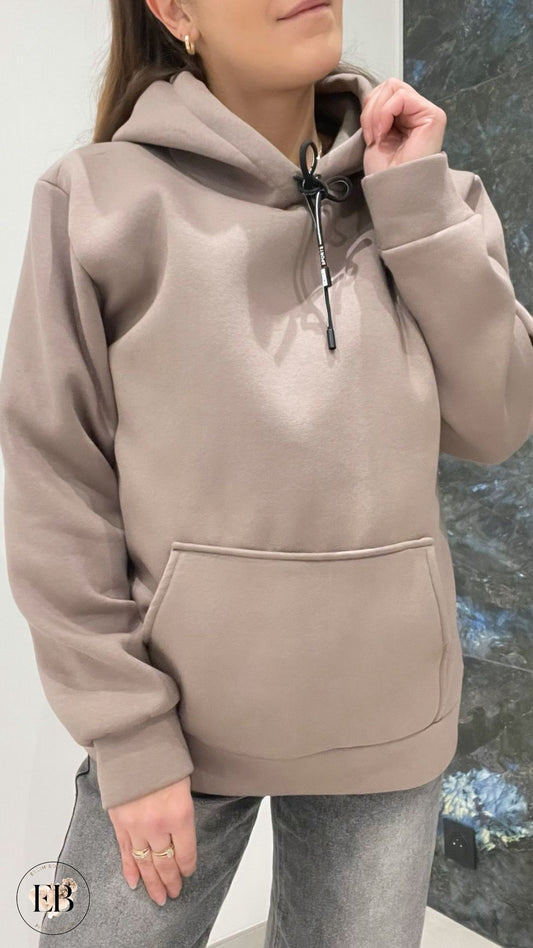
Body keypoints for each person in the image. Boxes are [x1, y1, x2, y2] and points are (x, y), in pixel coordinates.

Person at [1, 1, 532, 945]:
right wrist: (127, 733)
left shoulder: (424, 189)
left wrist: (414, 207)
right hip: (176, 728)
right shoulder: (98, 198)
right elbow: (55, 479)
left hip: (385, 719)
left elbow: (498, 421)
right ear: (174, 10)